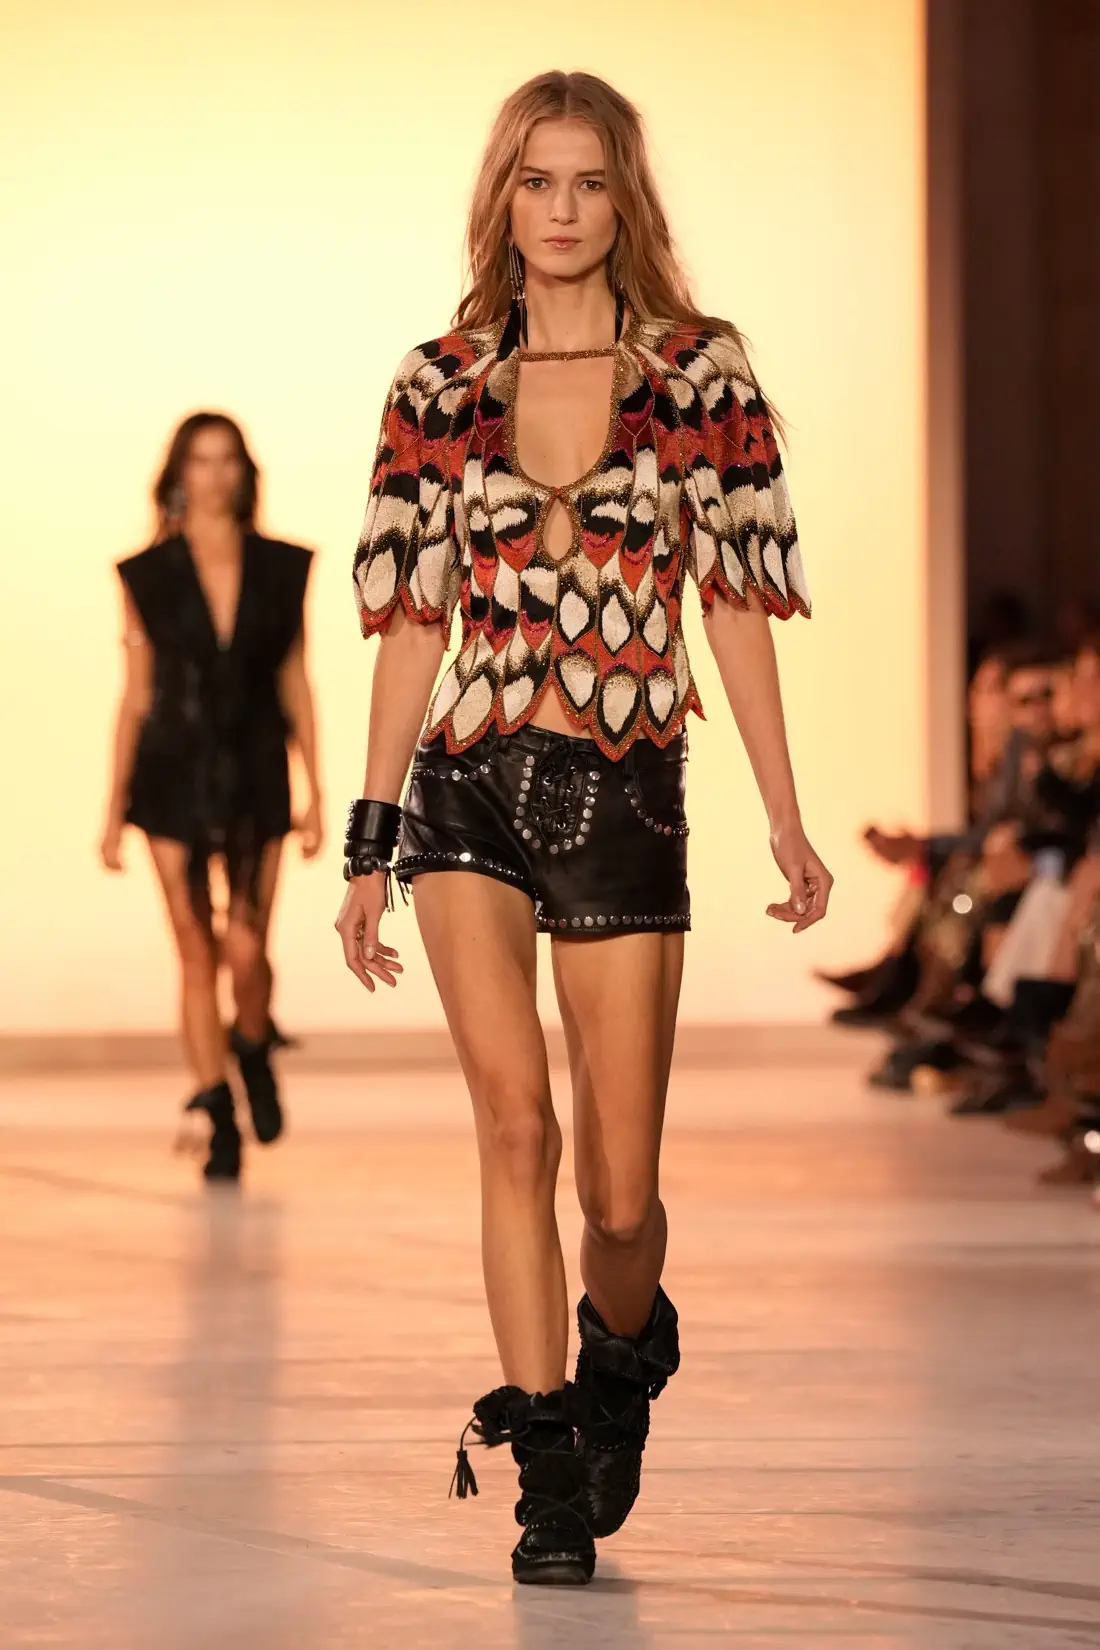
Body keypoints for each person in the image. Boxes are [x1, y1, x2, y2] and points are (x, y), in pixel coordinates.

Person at [335, 70, 830, 1587]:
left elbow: (734, 606)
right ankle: (546, 1465)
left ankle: (621, 1356)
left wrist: (786, 817)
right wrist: (368, 841)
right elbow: (412, 626)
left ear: (626, 198)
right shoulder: (436, 385)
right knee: (514, 1125)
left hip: (626, 788)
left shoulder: (698, 376)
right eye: (536, 181)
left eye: (588, 182)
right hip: (471, 784)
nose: (560, 210)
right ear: (503, 198)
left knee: (618, 1196)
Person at [100, 413, 323, 1183]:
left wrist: (317, 787)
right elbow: (137, 695)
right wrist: (112, 808)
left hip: (258, 771)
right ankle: (217, 1112)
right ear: (178, 474)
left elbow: (295, 679)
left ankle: (252, 1043)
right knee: (196, 953)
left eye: (227, 459)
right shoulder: (147, 575)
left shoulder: (282, 568)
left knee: (247, 947)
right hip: (171, 773)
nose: (214, 475)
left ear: (244, 471)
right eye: (200, 460)